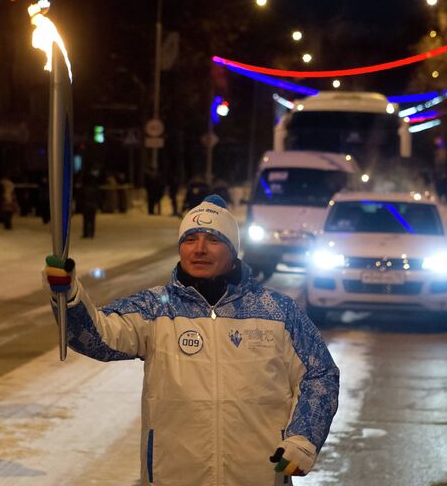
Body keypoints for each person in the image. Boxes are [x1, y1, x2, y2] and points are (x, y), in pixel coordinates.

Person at [43, 195, 339, 485]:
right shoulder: (156, 308)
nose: (199, 249)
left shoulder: (278, 311)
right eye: (189, 239)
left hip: (257, 475)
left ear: (233, 249)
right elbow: (96, 337)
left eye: (213, 239)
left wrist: (302, 440)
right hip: (173, 475)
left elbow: (320, 374)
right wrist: (67, 294)